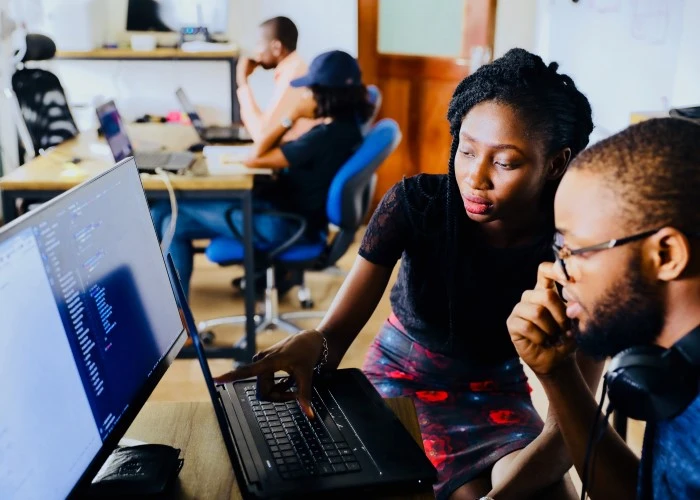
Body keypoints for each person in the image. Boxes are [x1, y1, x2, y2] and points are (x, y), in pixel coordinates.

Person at [216, 48, 601, 500]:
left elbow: (567, 435)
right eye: (467, 150)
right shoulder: (416, 205)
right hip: (400, 380)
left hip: (496, 395)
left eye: (504, 161)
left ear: (555, 163)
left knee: (552, 494)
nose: (475, 177)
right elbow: (334, 336)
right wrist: (313, 344)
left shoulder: (577, 251)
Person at [507, 117, 700, 499]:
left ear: (666, 255)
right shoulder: (672, 365)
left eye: (574, 250)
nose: (555, 272)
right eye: (557, 249)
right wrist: (558, 374)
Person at [152, 50, 373, 297]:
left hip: (282, 224)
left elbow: (255, 157)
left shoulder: (324, 138)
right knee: (163, 211)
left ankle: (178, 318)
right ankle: (172, 309)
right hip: (290, 215)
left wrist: (291, 116)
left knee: (171, 217)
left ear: (325, 94)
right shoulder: (348, 128)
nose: (305, 95)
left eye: (310, 90)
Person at [237, 16, 314, 143]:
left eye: (259, 43)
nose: (256, 52)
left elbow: (262, 135)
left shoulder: (293, 75)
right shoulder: (293, 68)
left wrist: (242, 81)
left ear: (276, 48)